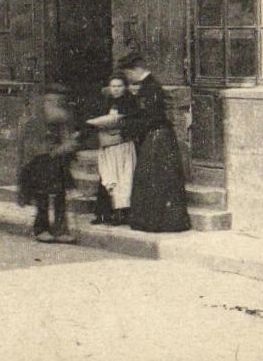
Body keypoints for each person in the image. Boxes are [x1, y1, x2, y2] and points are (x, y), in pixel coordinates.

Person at [121, 53, 190, 232]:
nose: (128, 78)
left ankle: (159, 222)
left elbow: (151, 117)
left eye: (128, 73)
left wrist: (128, 125)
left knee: (156, 179)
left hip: (158, 137)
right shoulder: (147, 86)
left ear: (136, 70)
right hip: (156, 136)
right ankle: (153, 221)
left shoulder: (151, 88)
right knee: (152, 178)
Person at [17, 88, 78, 243]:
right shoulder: (34, 120)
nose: (56, 104)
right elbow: (29, 145)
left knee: (60, 195)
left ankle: (60, 229)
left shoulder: (61, 120)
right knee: (42, 195)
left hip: (57, 161)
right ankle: (41, 228)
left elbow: (67, 138)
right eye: (52, 101)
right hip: (40, 161)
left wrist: (66, 146)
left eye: (59, 101)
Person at [85, 70, 136, 225]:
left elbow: (121, 121)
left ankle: (121, 214)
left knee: (123, 180)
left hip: (122, 146)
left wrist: (104, 123)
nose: (116, 89)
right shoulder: (106, 101)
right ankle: (103, 214)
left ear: (125, 87)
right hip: (108, 146)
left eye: (119, 86)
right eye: (113, 86)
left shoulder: (130, 102)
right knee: (107, 179)